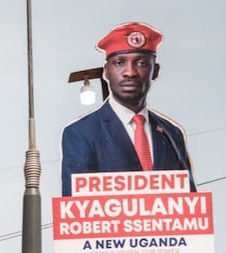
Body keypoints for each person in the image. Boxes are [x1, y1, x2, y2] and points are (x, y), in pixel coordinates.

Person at [60, 21, 194, 197]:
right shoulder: (81, 134)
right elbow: (76, 209)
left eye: (141, 63)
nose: (130, 72)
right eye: (119, 63)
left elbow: (190, 204)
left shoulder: (172, 134)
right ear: (106, 71)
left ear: (155, 70)